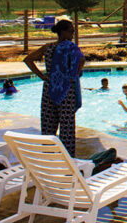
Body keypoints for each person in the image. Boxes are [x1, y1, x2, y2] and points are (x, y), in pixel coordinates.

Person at [24, 19, 85, 157]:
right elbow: (81, 60)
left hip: (49, 90)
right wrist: (73, 76)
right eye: (71, 31)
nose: (72, 34)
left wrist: (43, 76)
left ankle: (48, 157)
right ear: (63, 32)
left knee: (48, 127)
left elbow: (28, 59)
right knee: (67, 130)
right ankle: (68, 160)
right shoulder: (71, 47)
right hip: (66, 91)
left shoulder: (48, 47)